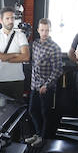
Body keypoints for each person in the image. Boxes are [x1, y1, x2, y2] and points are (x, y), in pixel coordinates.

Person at [24, 18, 63, 146]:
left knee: (45, 113)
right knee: (32, 111)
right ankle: (38, 134)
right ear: (38, 30)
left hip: (47, 87)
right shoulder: (35, 44)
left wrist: (47, 84)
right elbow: (34, 64)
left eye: (47, 30)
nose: (44, 33)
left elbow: (58, 69)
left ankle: (43, 138)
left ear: (50, 30)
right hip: (35, 85)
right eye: (42, 30)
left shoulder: (54, 47)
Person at [0, 7, 29, 101]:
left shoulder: (21, 35)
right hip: (0, 80)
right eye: (7, 18)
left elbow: (26, 56)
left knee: (18, 110)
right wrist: (15, 55)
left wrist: (3, 57)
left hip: (17, 79)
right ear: (0, 20)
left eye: (12, 18)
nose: (11, 21)